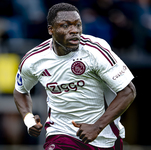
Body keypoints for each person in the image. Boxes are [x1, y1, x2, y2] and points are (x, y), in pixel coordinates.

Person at [13, 3, 136, 150]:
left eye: (78, 25)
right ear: (50, 30)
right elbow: (20, 91)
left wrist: (96, 127)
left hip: (103, 138)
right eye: (66, 26)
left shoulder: (95, 51)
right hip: (60, 134)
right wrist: (28, 120)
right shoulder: (34, 60)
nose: (74, 31)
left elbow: (128, 91)